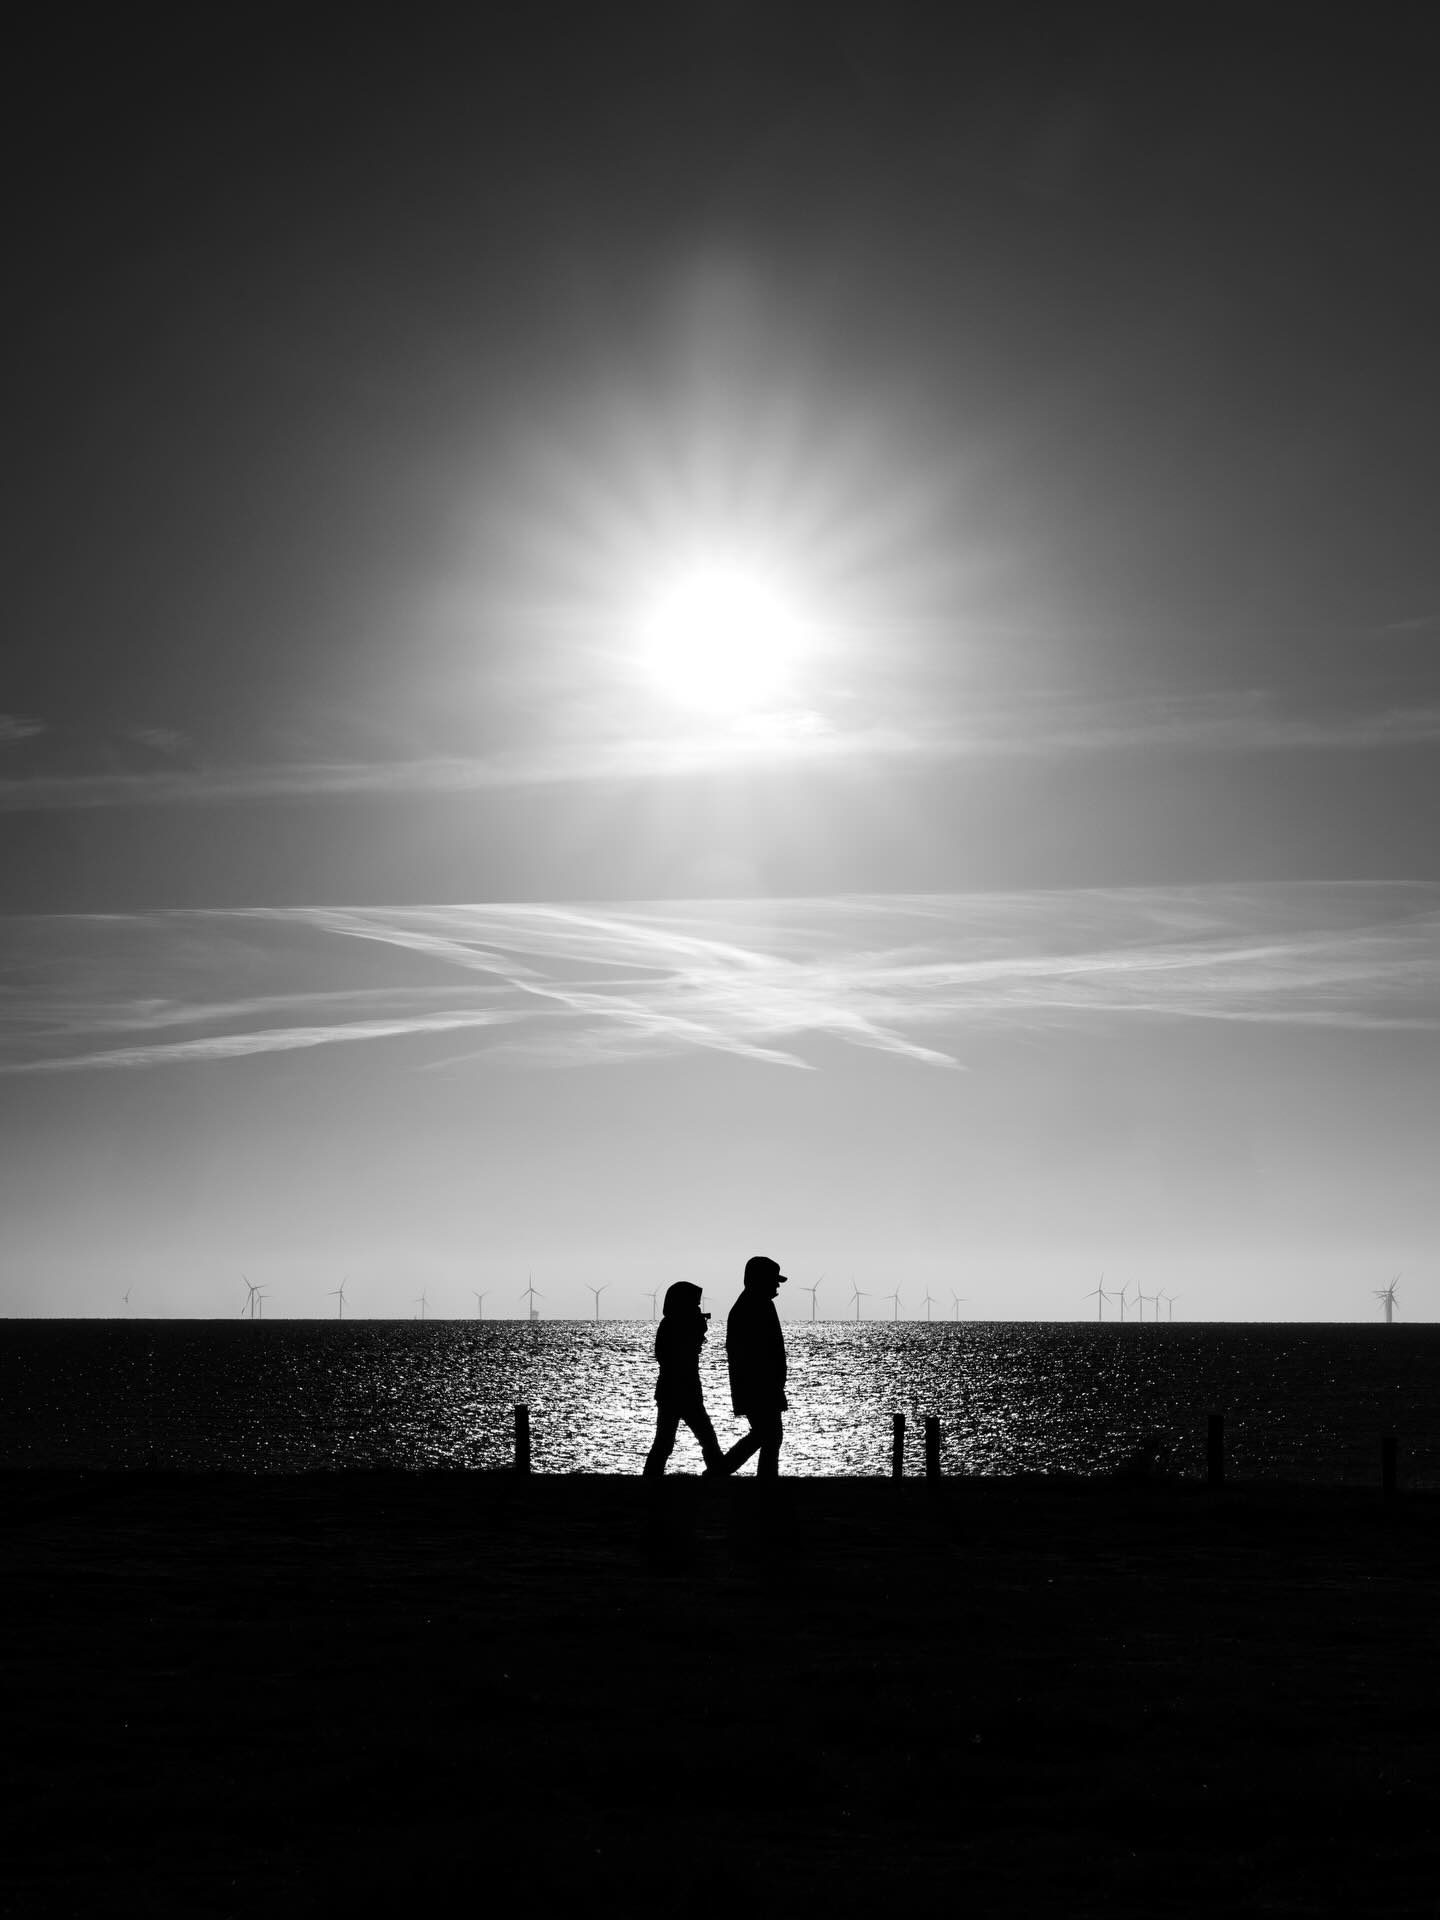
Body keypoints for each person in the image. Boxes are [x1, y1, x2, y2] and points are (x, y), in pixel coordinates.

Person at [643, 1281, 726, 1478]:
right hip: (680, 1392)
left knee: (694, 1439)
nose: (697, 1308)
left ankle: (651, 1478)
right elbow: (672, 1355)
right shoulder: (673, 1325)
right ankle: (718, 1474)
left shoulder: (671, 1324)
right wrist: (696, 1330)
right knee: (679, 1441)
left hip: (675, 1391)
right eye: (694, 1304)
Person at [719, 1254, 788, 1478]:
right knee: (769, 1434)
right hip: (759, 1385)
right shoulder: (754, 1306)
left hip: (761, 1384)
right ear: (760, 1279)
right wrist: (771, 1381)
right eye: (774, 1280)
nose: (777, 1285)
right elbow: (755, 1352)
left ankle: (724, 1471)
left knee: (765, 1434)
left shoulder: (753, 1305)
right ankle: (728, 1472)